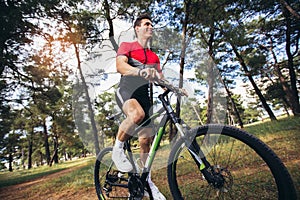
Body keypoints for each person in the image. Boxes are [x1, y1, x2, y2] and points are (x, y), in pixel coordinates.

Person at [112, 14, 166, 200]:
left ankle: (146, 182)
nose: (150, 27)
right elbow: (120, 66)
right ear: (137, 28)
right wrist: (139, 71)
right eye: (146, 24)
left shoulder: (154, 56)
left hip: (145, 96)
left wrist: (176, 87)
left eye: (152, 24)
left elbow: (161, 78)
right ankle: (117, 151)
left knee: (146, 140)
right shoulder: (127, 46)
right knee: (137, 114)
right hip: (127, 91)